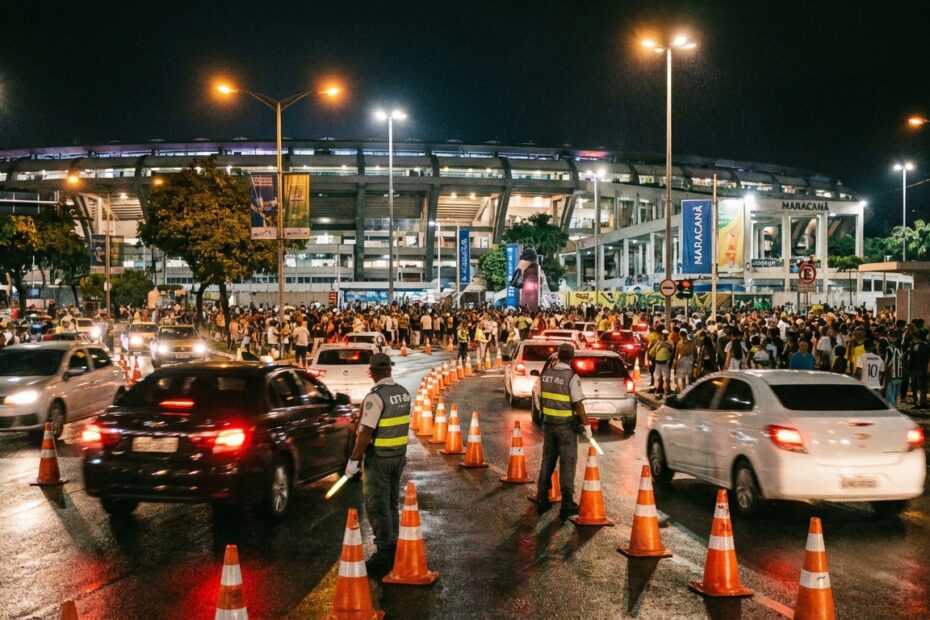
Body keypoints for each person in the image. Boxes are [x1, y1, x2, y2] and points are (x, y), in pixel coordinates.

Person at [344, 353, 412, 573]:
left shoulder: (375, 397)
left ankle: (384, 553)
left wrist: (353, 460)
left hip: (379, 459)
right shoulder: (403, 393)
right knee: (391, 503)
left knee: (376, 505)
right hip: (398, 458)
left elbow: (365, 434)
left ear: (372, 372)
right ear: (390, 370)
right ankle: (393, 544)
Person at [534, 343, 592, 521]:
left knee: (547, 460)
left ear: (558, 356)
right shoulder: (571, 377)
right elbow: (578, 404)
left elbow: (539, 398)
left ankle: (542, 497)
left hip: (549, 424)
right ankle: (567, 503)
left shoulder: (546, 375)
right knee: (568, 462)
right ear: (572, 357)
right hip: (566, 427)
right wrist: (586, 424)